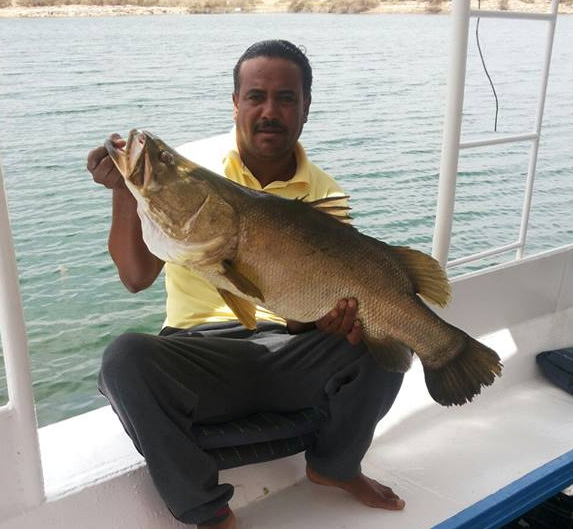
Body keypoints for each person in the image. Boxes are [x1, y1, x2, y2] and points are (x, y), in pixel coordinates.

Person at [86, 39, 405, 528]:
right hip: (201, 355)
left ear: (306, 107)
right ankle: (208, 512)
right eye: (256, 96)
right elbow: (135, 277)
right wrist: (125, 189)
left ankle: (335, 467)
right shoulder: (191, 172)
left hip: (288, 351)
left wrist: (326, 320)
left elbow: (301, 319)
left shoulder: (326, 195)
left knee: (387, 341)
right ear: (236, 103)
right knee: (124, 359)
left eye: (286, 98)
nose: (269, 111)